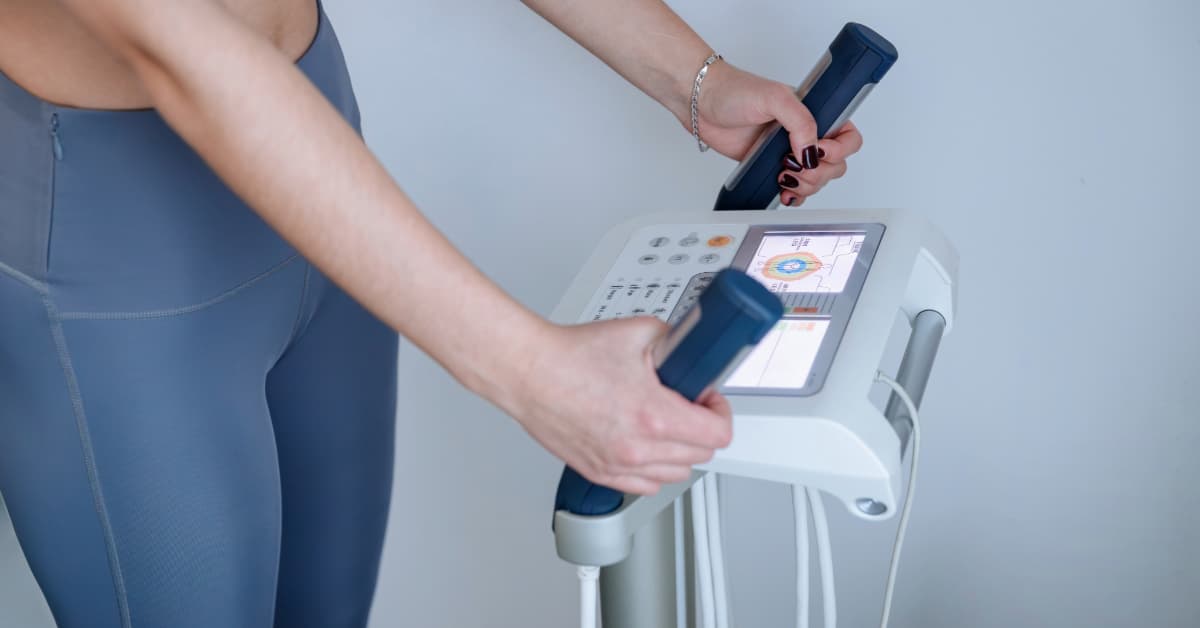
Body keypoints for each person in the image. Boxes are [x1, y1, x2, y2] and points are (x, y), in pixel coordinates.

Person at [0, 0, 863, 626]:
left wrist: (697, 81)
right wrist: (535, 374)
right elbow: (179, 47)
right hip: (120, 257)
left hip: (317, 164)